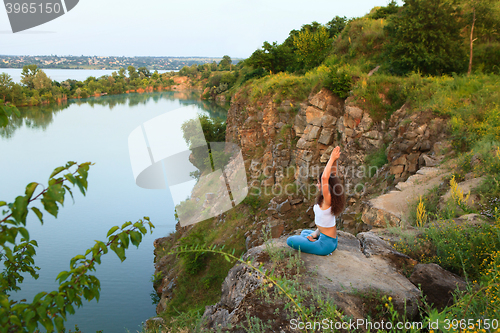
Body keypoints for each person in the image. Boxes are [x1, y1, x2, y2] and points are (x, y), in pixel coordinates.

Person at [286, 146, 345, 256]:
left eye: (318, 183)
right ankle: (315, 237)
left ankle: (317, 243)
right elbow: (332, 176)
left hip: (325, 245)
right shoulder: (329, 196)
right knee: (304, 233)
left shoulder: (328, 199)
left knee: (290, 240)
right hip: (326, 237)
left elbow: (325, 178)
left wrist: (331, 158)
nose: (318, 185)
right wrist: (335, 161)